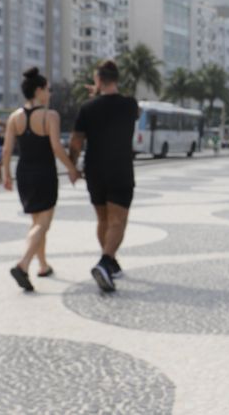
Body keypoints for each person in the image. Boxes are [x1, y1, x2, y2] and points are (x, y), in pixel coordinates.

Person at [2, 67, 80, 291]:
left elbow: (7, 150)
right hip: (44, 173)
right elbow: (56, 147)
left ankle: (43, 265)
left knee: (37, 222)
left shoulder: (14, 117)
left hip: (24, 173)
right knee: (43, 224)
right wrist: (72, 169)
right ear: (38, 90)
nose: (50, 93)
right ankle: (23, 264)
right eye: (48, 89)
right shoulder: (49, 116)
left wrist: (6, 175)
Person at [69, 60, 138, 293]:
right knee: (118, 221)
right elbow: (118, 102)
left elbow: (76, 141)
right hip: (120, 169)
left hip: (94, 171)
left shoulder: (87, 107)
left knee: (103, 220)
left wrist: (72, 165)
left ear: (97, 80)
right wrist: (102, 91)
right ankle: (105, 262)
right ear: (116, 79)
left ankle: (110, 262)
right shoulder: (130, 105)